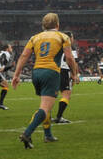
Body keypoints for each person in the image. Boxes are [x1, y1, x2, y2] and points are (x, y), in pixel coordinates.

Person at [10, 13, 78, 148]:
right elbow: (69, 58)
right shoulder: (62, 36)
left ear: (43, 25)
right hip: (51, 72)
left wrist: (16, 75)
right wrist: (74, 74)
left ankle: (48, 135)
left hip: (36, 73)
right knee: (45, 108)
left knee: (45, 105)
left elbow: (24, 56)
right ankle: (27, 133)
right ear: (57, 25)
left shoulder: (35, 37)